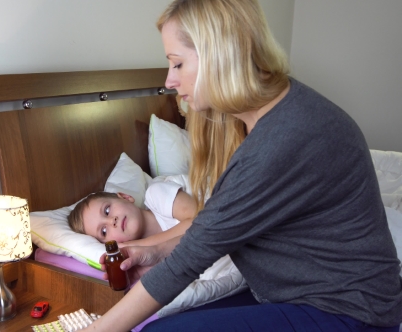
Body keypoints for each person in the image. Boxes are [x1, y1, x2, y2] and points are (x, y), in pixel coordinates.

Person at [81, 0, 402, 331]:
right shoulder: (266, 116)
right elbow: (217, 228)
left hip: (351, 312)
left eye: (177, 64)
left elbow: (192, 258)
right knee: (175, 317)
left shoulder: (284, 138)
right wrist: (157, 250)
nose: (169, 81)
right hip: (302, 293)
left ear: (218, 55)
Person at [67, 181, 197, 247]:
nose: (112, 221)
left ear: (125, 197)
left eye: (107, 210)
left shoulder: (156, 194)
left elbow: (201, 221)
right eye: (104, 231)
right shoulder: (150, 260)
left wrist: (138, 246)